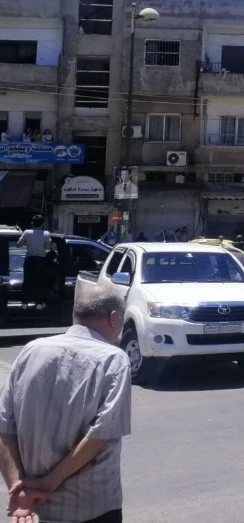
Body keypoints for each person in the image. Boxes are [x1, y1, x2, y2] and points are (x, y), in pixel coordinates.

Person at [0, 284, 131, 523]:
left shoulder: (31, 350)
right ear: (114, 318)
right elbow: (99, 434)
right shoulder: (113, 359)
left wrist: (20, 488)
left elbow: (4, 425)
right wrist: (46, 484)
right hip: (92, 507)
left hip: (33, 510)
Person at [16, 215, 53, 309]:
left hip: (29, 260)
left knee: (27, 281)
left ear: (32, 223)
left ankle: (24, 304)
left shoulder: (27, 232)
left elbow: (18, 245)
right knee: (40, 282)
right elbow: (48, 248)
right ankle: (39, 304)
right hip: (41, 261)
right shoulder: (46, 233)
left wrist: (28, 242)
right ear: (43, 224)